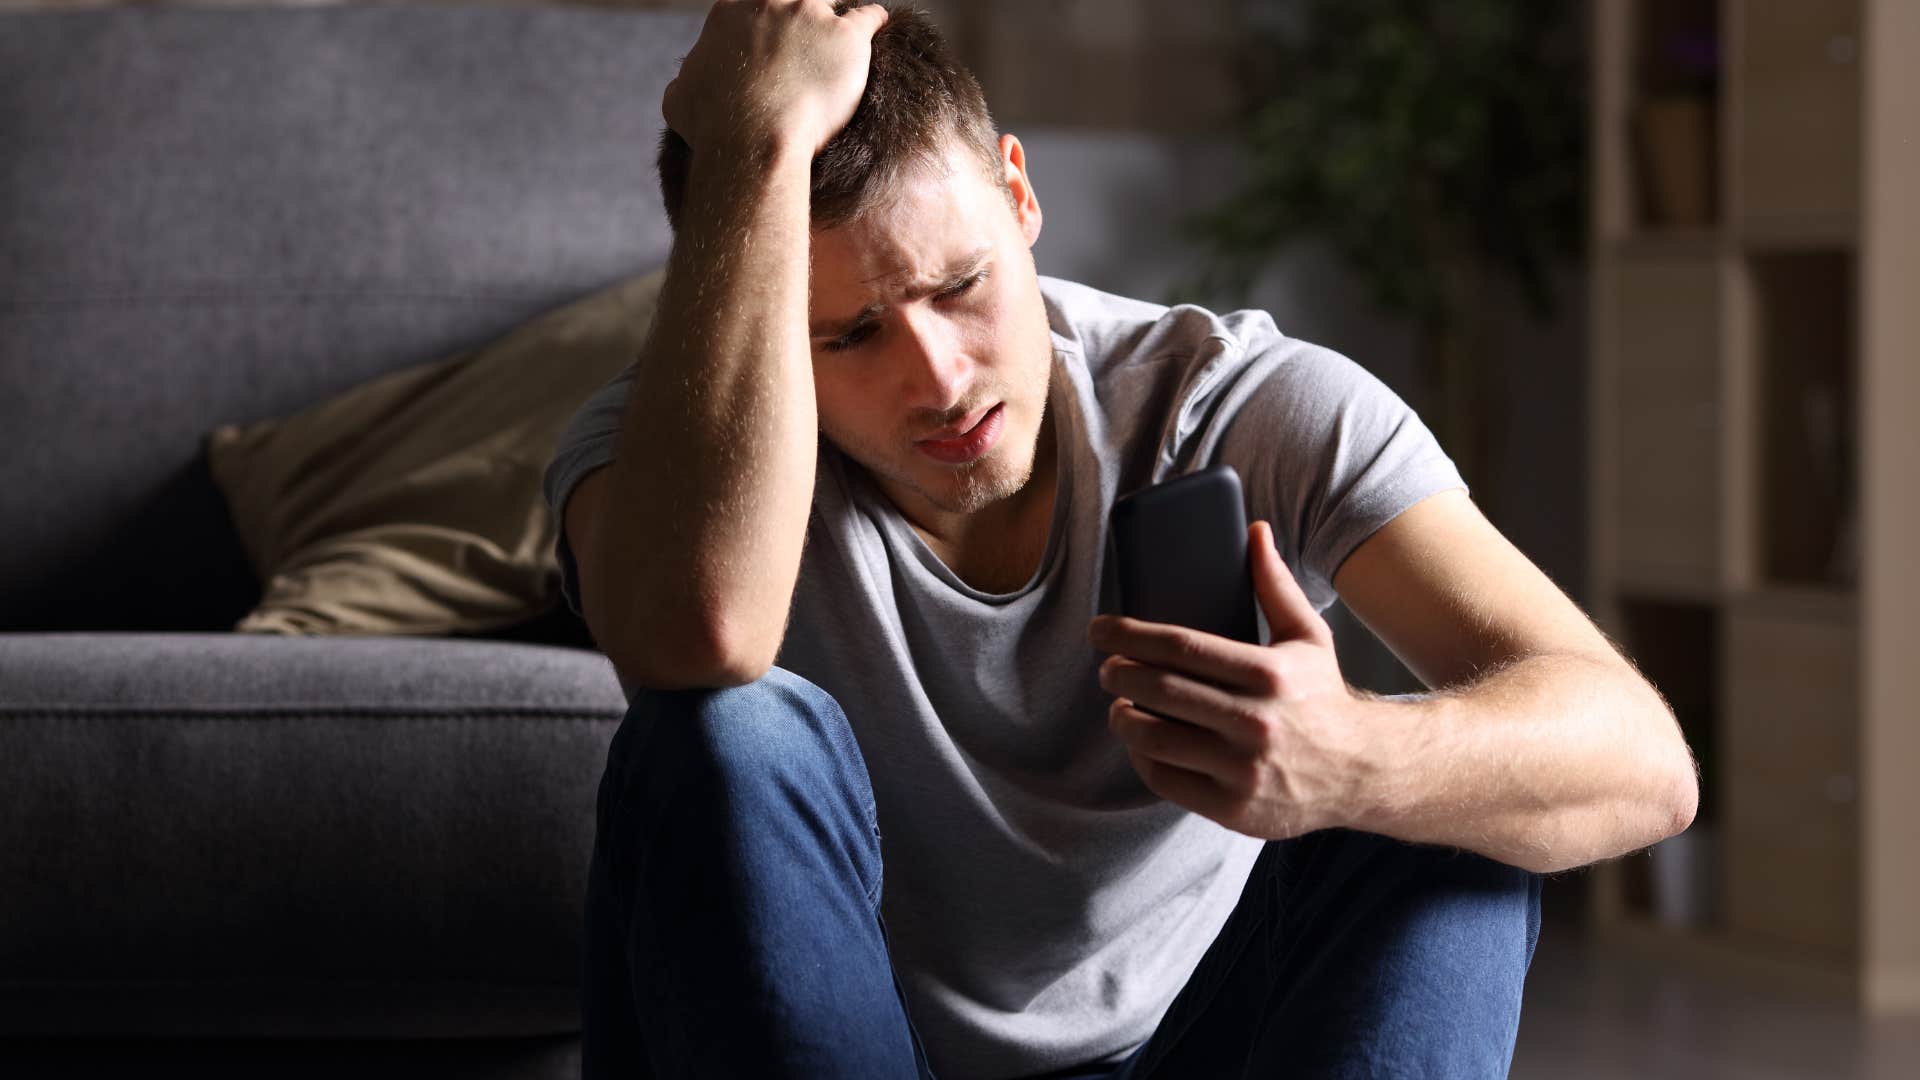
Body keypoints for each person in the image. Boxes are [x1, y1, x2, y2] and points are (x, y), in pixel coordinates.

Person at [542, 3, 1699, 1077]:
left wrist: (1352, 758)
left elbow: (1646, 767)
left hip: (1193, 1042)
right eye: (847, 336)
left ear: (1020, 196)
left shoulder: (1241, 404)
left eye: (960, 284)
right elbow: (700, 634)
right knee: (722, 731)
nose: (939, 381)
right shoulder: (651, 462)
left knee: (1452, 801)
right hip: (863, 1047)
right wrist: (759, 145)